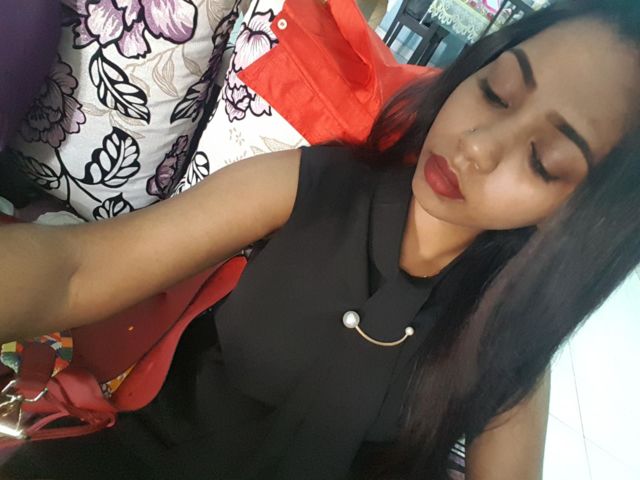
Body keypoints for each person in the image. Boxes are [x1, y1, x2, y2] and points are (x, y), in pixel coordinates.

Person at [1, 0, 640, 479]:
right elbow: (76, 270)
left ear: (576, 221)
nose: (477, 147)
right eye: (496, 92)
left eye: (544, 161)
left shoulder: (506, 332)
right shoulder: (308, 186)